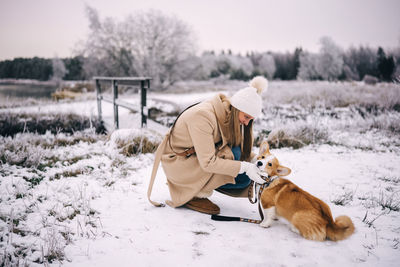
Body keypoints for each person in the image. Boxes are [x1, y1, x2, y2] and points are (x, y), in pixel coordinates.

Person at [148, 76, 268, 215]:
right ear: (237, 109)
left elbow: (238, 149)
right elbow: (208, 162)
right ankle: (193, 194)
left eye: (251, 120)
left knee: (243, 176)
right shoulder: (203, 117)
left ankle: (200, 186)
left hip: (194, 157)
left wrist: (259, 162)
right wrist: (245, 167)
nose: (247, 123)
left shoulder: (228, 114)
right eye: (246, 117)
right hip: (179, 164)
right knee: (234, 157)